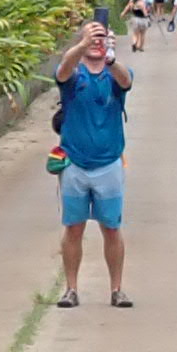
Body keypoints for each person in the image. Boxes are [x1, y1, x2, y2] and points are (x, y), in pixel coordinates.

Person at [52, 18, 133, 308]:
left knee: (111, 227)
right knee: (73, 227)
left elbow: (127, 80)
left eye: (102, 38)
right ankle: (71, 289)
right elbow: (62, 71)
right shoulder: (74, 75)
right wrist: (83, 45)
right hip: (75, 162)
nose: (97, 43)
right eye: (92, 37)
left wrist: (110, 56)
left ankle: (117, 289)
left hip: (109, 162)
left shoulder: (114, 74)